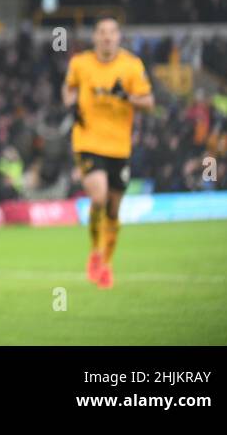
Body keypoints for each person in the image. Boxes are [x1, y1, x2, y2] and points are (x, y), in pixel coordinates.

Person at [61, 17, 154, 289]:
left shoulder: (132, 66)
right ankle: (94, 251)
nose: (107, 37)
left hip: (119, 147)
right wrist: (71, 104)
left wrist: (125, 96)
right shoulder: (80, 63)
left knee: (113, 210)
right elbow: (68, 89)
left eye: (112, 32)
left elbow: (148, 102)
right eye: (102, 32)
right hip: (87, 141)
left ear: (118, 37)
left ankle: (106, 264)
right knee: (99, 196)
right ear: (95, 37)